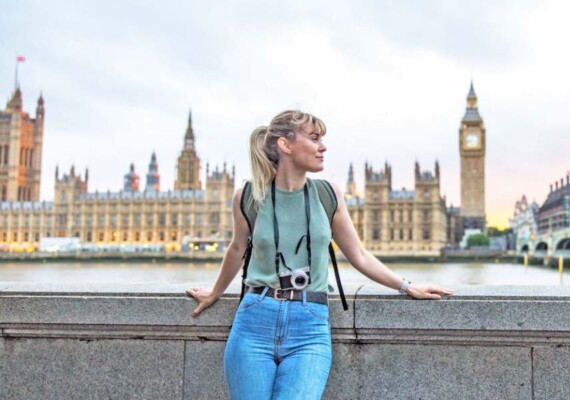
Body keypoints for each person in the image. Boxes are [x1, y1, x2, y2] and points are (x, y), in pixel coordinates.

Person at [186, 110, 453, 399]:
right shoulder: (249, 195)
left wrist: (407, 286)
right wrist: (215, 293)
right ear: (285, 145)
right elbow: (237, 249)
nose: (323, 147)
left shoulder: (328, 194)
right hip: (254, 321)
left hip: (309, 326)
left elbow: (358, 255)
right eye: (314, 139)